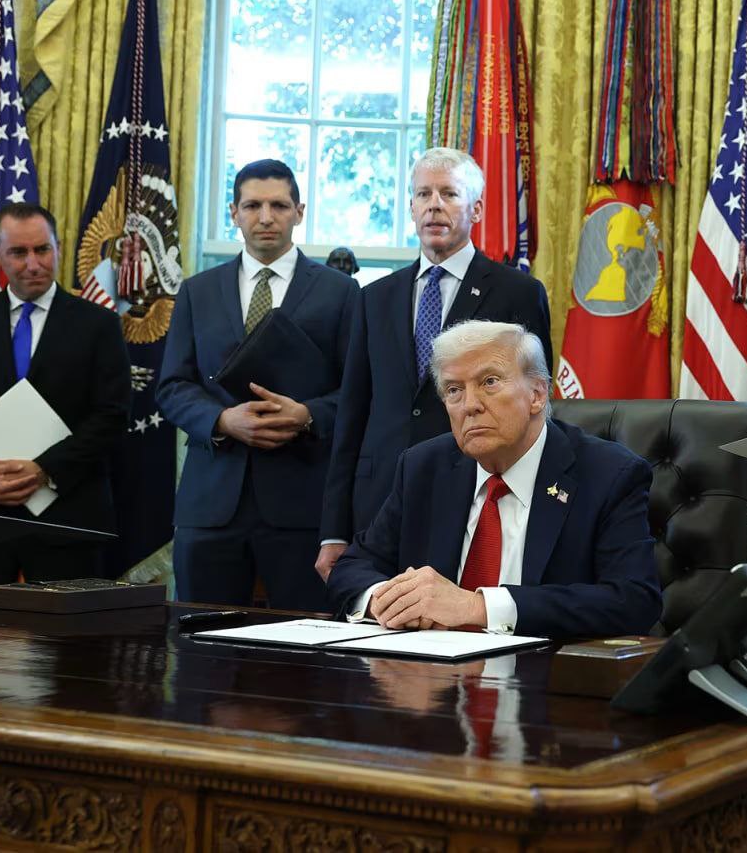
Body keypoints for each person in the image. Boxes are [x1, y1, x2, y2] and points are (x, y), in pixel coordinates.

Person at [323, 320, 661, 639]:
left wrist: (477, 607)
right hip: (429, 671)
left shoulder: (608, 474)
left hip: (545, 670)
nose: (470, 405)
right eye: (454, 390)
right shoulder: (423, 466)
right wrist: (387, 601)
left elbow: (633, 601)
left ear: (537, 394)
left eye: (489, 382)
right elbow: (353, 567)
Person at [316, 147, 552, 579]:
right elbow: (352, 414)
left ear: (476, 208)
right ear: (411, 207)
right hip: (377, 500)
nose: (434, 205)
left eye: (449, 193)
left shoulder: (518, 292)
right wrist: (333, 530)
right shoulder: (374, 297)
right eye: (423, 194)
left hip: (472, 493)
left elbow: (535, 410)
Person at [157, 159, 358, 609]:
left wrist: (307, 415)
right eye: (252, 206)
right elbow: (172, 385)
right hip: (210, 504)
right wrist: (222, 420)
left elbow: (358, 391)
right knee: (199, 640)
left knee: (303, 643)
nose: (265, 217)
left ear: (299, 212)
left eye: (279, 206)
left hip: (303, 503)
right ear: (234, 212)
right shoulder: (197, 291)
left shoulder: (341, 292)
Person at [0, 203, 130, 602]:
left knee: (68, 638)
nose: (33, 264)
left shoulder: (99, 325)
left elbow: (111, 415)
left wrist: (44, 470)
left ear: (58, 248)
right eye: (18, 252)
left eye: (42, 250)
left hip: (68, 516)